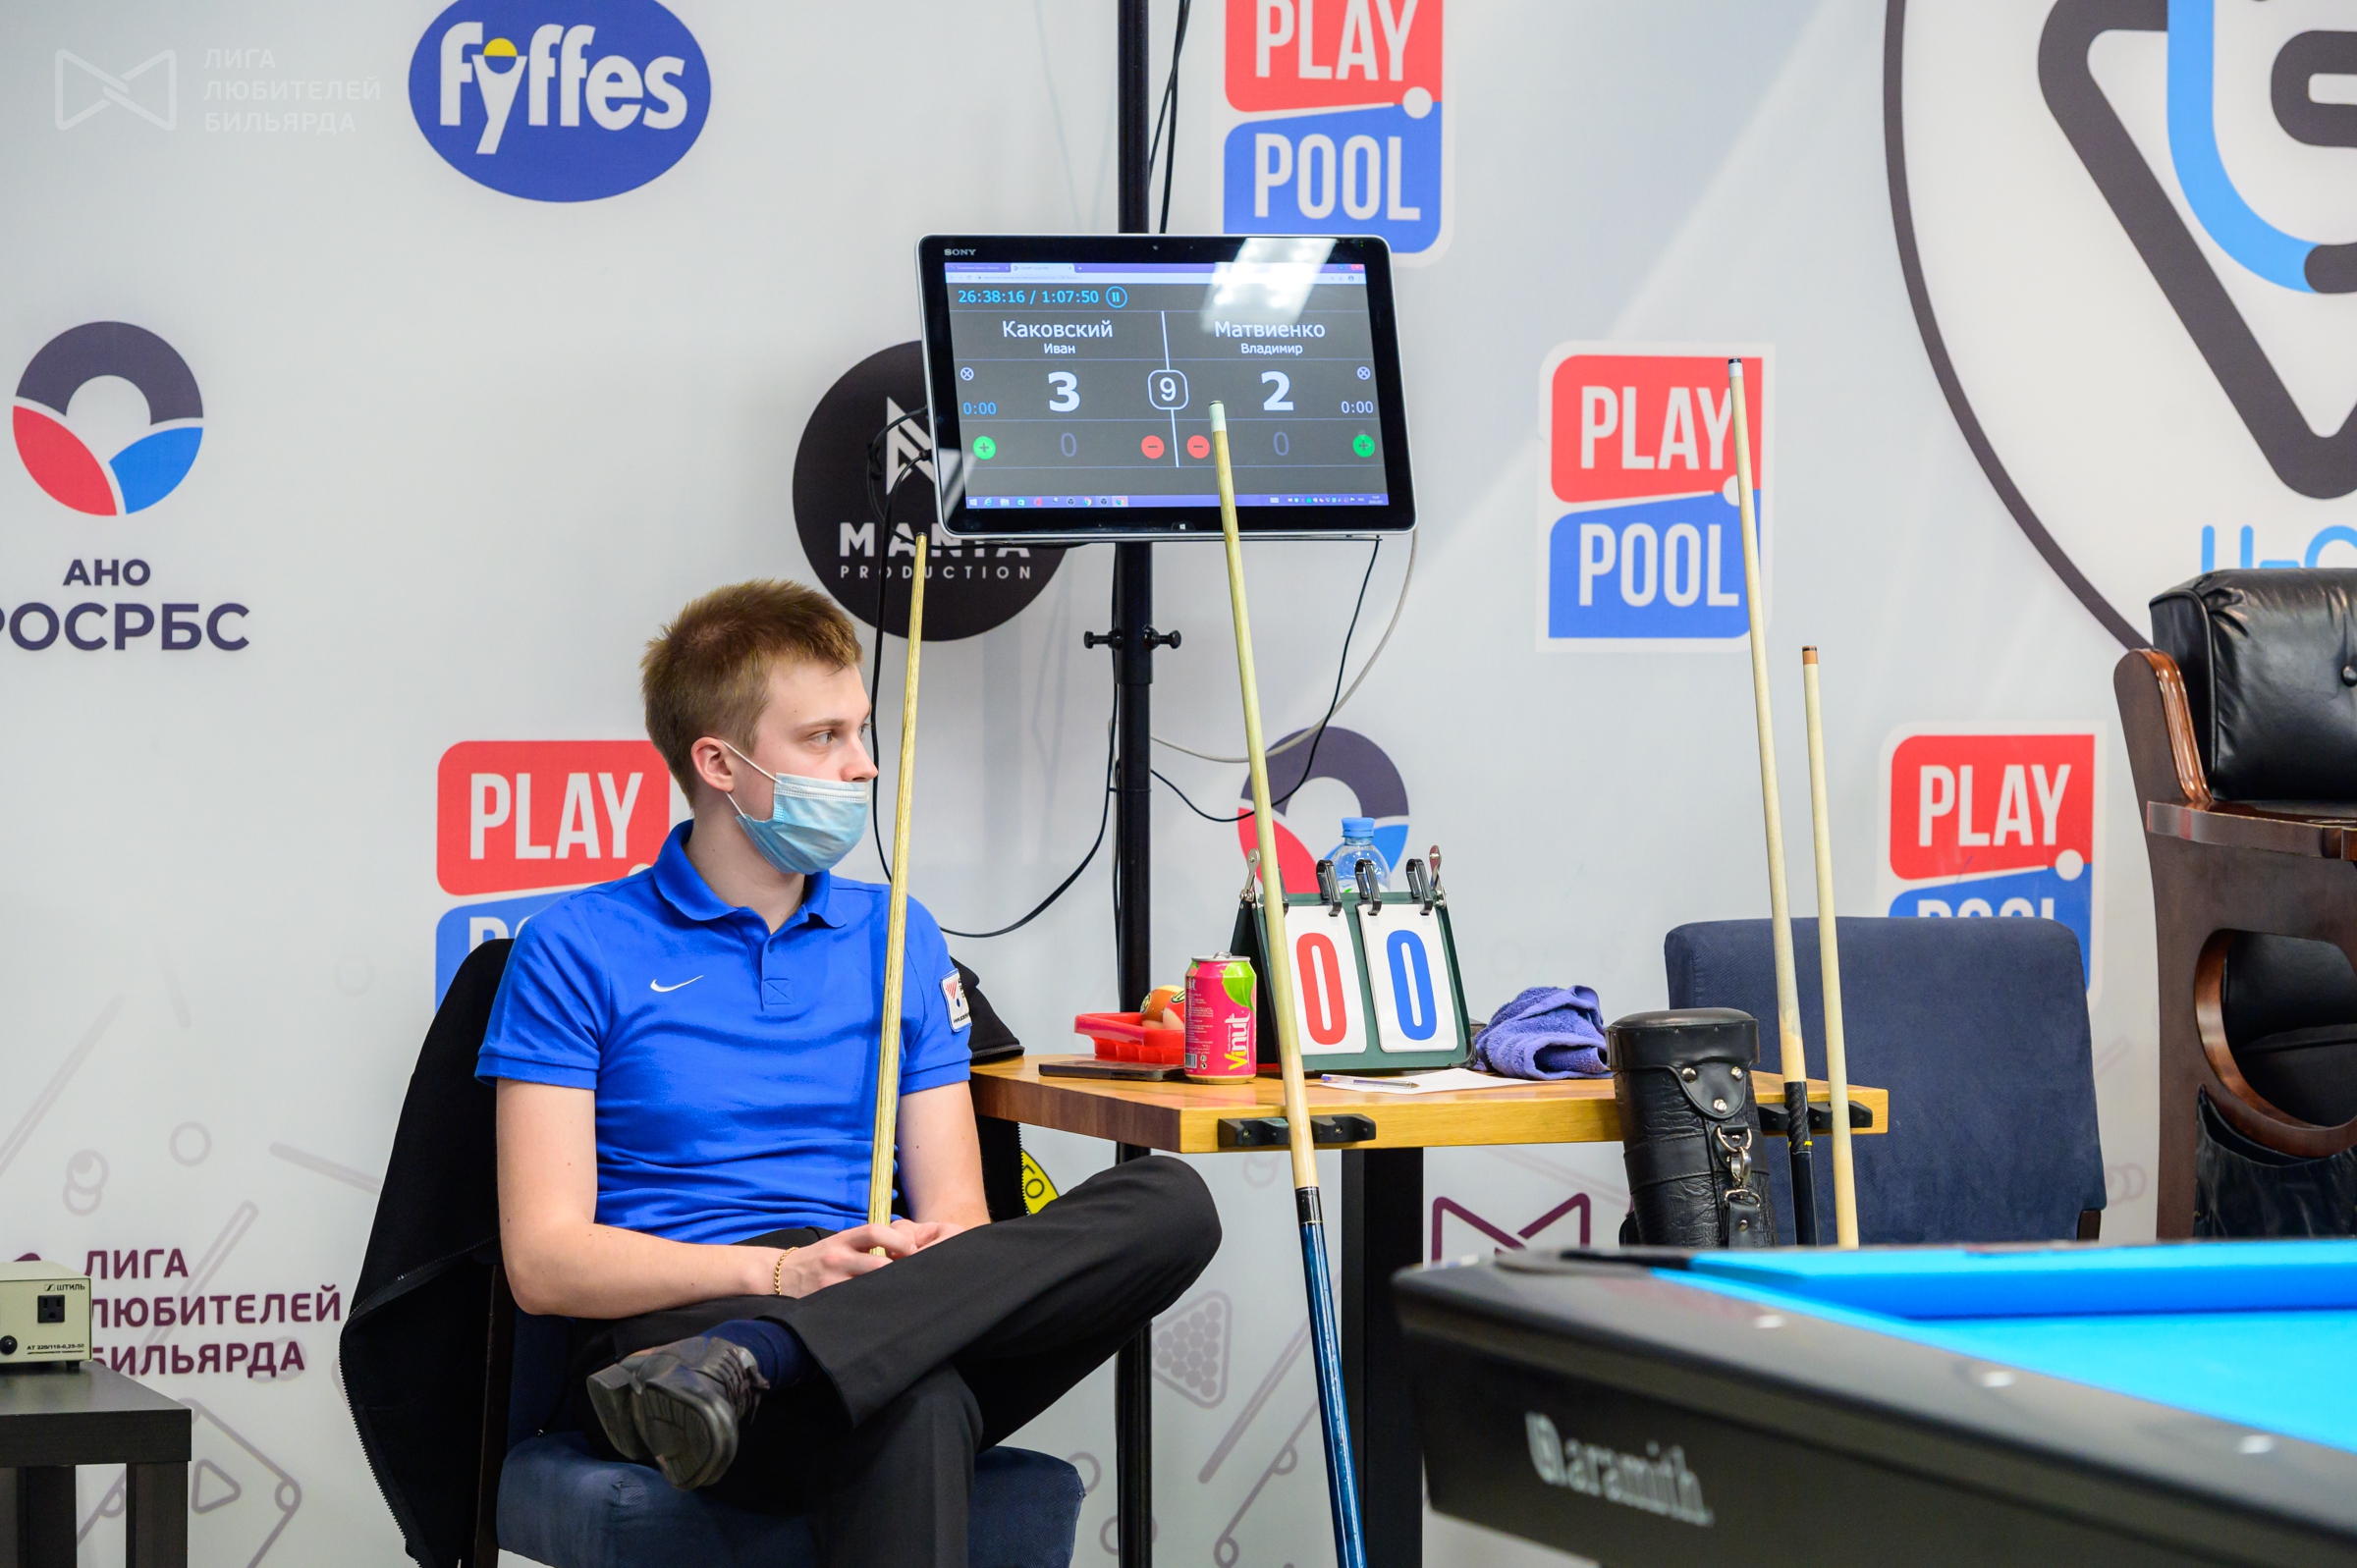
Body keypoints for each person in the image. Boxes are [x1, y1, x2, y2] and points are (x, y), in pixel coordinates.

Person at [477, 579, 1218, 1568]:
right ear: (719, 763)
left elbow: (958, 1220)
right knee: (915, 1401)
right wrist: (782, 1276)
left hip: (877, 1302)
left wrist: (860, 1289)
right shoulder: (574, 945)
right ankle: (750, 1352)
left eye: (861, 730)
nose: (863, 764)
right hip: (676, 1343)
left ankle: (763, 1358)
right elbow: (544, 1261)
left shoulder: (899, 930)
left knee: (1172, 1200)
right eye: (823, 736)